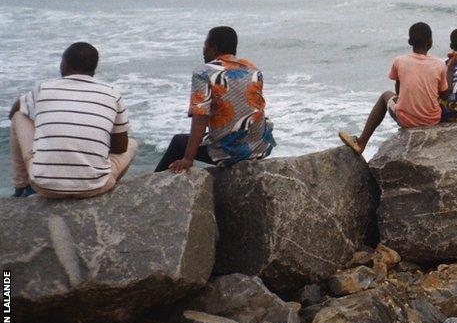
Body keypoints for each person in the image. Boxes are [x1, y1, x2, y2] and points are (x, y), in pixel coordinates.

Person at [7, 42, 137, 198]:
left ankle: (22, 187)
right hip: (96, 186)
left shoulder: (44, 89)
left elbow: (14, 111)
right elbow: (120, 148)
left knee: (19, 115)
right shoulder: (112, 94)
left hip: (43, 185)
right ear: (94, 68)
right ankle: (94, 179)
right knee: (132, 144)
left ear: (64, 64)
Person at [157, 27, 276, 173]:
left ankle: (150, 190)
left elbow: (201, 115)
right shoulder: (253, 70)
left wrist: (188, 159)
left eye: (205, 45)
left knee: (178, 142)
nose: (203, 49)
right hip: (259, 148)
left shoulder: (203, 72)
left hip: (233, 153)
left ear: (213, 49)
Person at [339, 22, 447, 153]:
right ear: (430, 42)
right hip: (432, 120)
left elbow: (398, 91)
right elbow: (443, 93)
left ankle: (362, 142)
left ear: (409, 42)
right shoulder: (440, 64)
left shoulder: (399, 61)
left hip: (407, 121)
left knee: (386, 95)